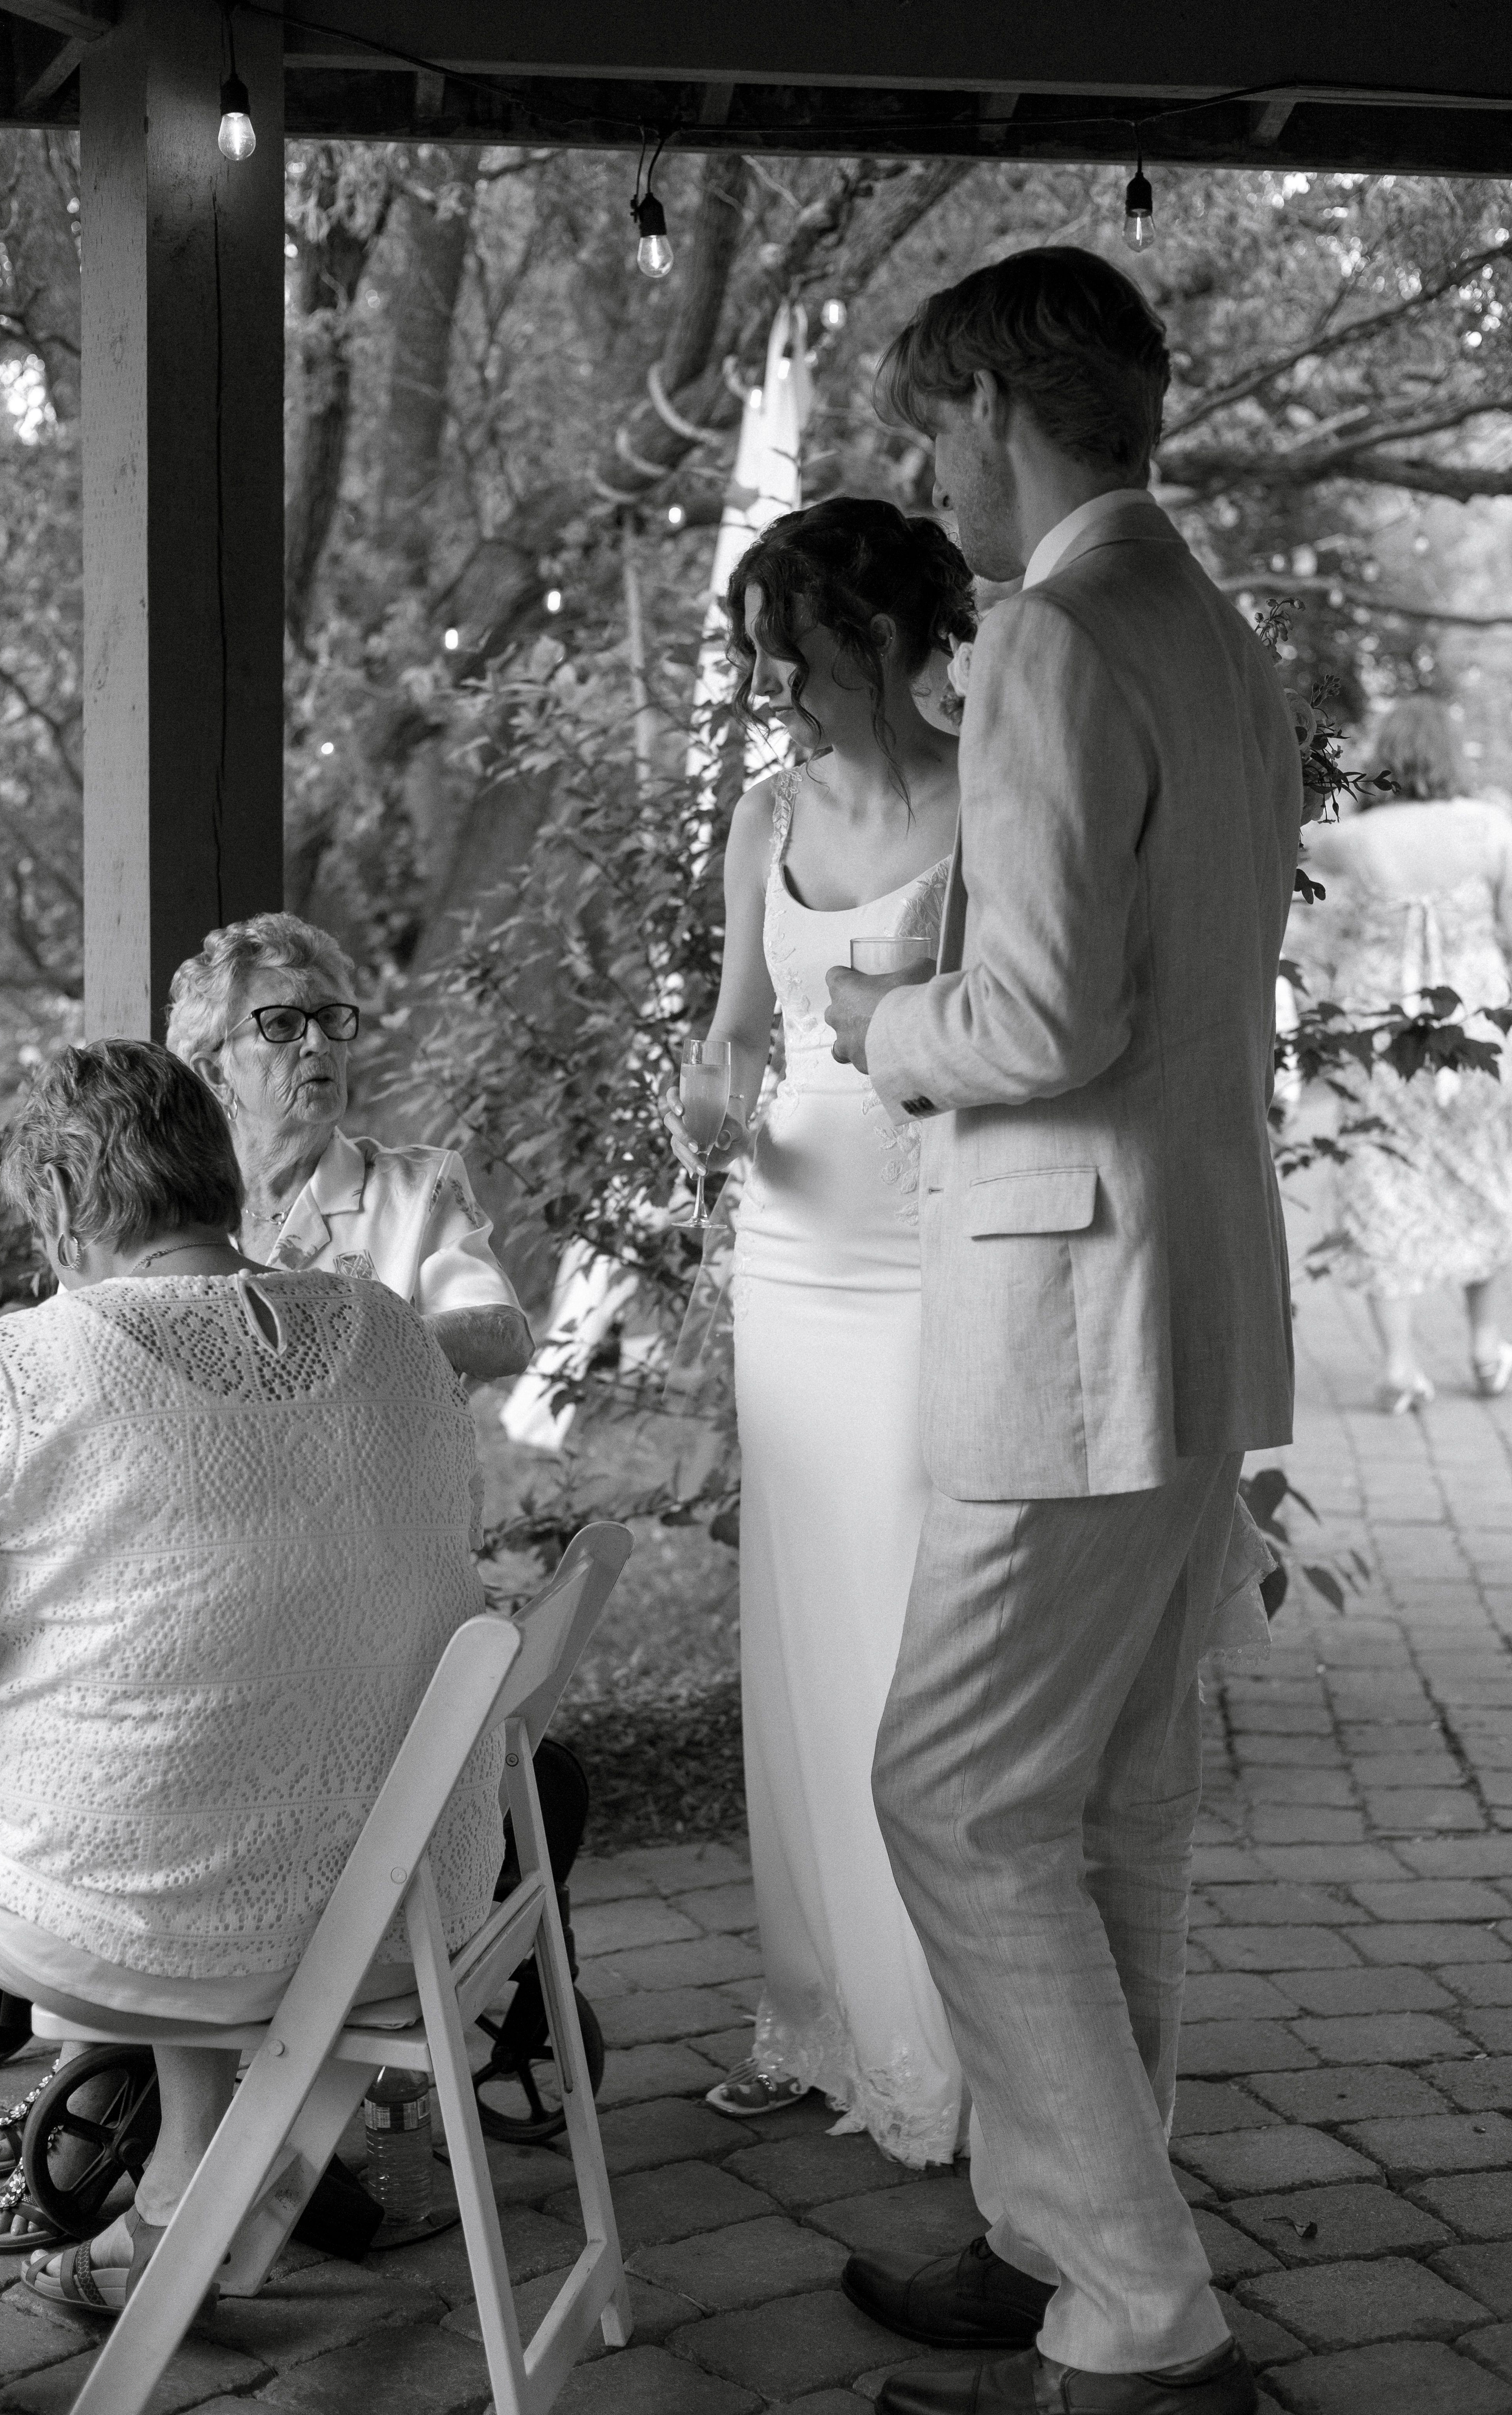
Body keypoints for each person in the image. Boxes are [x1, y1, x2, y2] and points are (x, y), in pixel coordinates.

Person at [823, 249, 1300, 2415]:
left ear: (1004, 414)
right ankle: (1058, 2237)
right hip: (1198, 1288)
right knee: (1110, 1797)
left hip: (1068, 1307)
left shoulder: (1045, 642)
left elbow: (1033, 1016)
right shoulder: (1219, 640)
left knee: (949, 1789)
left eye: (934, 437)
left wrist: (870, 1015)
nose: (934, 484)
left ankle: (1133, 2303)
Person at [0, 1042, 501, 2349]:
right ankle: (178, 2198)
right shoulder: (392, 1332)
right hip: (400, 1900)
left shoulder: (24, 1365)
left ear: (64, 1196)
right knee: (213, 1727)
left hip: (168, 1915)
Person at [664, 496, 977, 2163]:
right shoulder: (763, 810)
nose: (771, 673)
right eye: (760, 644)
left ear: (884, 637)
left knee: (910, 1647)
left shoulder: (988, 806)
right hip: (791, 1255)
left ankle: (945, 2030)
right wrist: (706, 1102)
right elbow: (733, 1031)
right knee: (797, 1640)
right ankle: (813, 2008)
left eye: (797, 642)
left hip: (932, 1263)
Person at [166, 912, 532, 1381]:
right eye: (281, 1024)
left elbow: (506, 1335)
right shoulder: (170, 1206)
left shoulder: (415, 1188)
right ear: (215, 1073)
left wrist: (341, 1347)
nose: (318, 1041)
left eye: (331, 1017)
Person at [1299, 696, 1512, 1410]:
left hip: (1378, 1032)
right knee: (1486, 1175)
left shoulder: (1355, 841)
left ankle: (1397, 1365)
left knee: (1380, 1174)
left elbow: (1291, 845)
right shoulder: (1492, 828)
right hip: (1475, 1029)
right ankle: (1486, 1351)